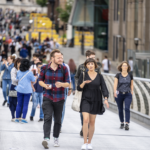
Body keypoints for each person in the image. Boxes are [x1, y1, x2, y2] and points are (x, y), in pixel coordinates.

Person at [39, 49, 70, 149]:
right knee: (47, 117)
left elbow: (68, 83)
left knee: (58, 120)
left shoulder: (64, 68)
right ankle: (46, 138)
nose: (61, 59)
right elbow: (40, 81)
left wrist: (61, 84)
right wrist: (45, 85)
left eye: (61, 57)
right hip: (47, 96)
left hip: (60, 97)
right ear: (52, 58)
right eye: (58, 57)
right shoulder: (44, 68)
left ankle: (56, 138)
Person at [77, 58, 109, 150]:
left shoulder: (99, 76)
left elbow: (104, 88)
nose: (90, 65)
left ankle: (89, 142)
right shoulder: (83, 75)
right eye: (88, 64)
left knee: (92, 122)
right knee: (85, 120)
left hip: (96, 100)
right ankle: (84, 143)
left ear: (95, 65)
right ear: (86, 66)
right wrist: (83, 83)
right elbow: (79, 88)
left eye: (92, 64)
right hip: (85, 99)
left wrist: (105, 99)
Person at [75, 50, 101, 137]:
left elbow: (100, 79)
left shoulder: (97, 68)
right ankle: (84, 127)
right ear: (87, 57)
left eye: (94, 58)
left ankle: (87, 130)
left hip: (93, 93)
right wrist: (77, 86)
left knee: (92, 112)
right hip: (83, 93)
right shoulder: (81, 67)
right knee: (83, 113)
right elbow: (76, 77)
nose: (93, 60)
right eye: (91, 58)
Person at [114, 61, 133, 130]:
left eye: (126, 66)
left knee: (127, 108)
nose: (125, 67)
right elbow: (115, 84)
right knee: (120, 109)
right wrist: (114, 92)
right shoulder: (118, 75)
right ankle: (122, 122)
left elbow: (131, 84)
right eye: (123, 65)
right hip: (119, 94)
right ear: (121, 67)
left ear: (128, 67)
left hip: (128, 94)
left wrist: (132, 91)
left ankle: (127, 123)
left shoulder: (130, 75)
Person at [15, 59, 36, 124]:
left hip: (19, 90)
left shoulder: (18, 71)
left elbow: (17, 79)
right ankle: (23, 118)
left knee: (19, 104)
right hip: (27, 91)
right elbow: (33, 80)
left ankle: (17, 118)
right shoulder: (30, 73)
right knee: (25, 104)